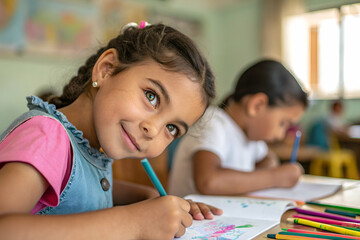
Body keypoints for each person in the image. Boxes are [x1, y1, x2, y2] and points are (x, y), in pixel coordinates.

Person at [0, 22, 223, 240]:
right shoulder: (47, 136)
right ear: (106, 70)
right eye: (151, 96)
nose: (153, 130)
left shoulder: (88, 147)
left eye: (172, 128)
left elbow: (77, 183)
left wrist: (150, 198)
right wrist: (134, 222)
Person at [168, 59, 308, 197]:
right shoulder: (212, 123)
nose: (281, 135)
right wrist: (275, 177)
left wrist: (266, 172)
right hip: (190, 218)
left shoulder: (250, 135)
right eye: (283, 123)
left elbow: (268, 159)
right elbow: (208, 181)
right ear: (257, 105)